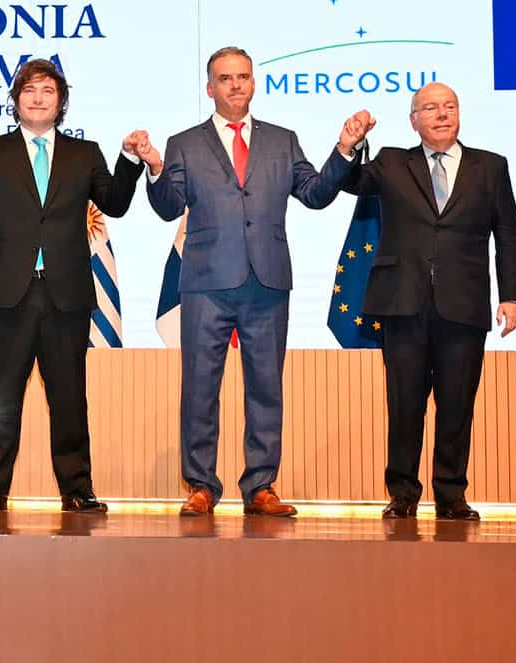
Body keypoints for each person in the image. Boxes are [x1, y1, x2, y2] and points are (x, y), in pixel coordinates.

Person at [140, 46, 370, 518]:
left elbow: (315, 194)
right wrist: (156, 167)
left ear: (253, 83)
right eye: (225, 78)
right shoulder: (184, 142)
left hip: (266, 282)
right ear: (210, 88)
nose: (236, 85)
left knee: (265, 386)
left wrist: (344, 149)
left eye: (243, 76)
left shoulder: (282, 140)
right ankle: (201, 484)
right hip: (205, 282)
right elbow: (167, 206)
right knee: (200, 386)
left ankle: (261, 486)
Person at [0, 59, 141, 513]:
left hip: (65, 293)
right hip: (5, 294)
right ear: (15, 101)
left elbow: (114, 202)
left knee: (69, 397)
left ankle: (77, 489)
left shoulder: (85, 153)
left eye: (48, 91)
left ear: (61, 103)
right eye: (29, 90)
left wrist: (130, 159)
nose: (38, 98)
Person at [339, 81, 516, 521]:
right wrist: (351, 146)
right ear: (413, 120)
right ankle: (402, 492)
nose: (442, 114)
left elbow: (509, 234)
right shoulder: (390, 162)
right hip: (403, 302)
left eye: (449, 106)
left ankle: (451, 494)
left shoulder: (490, 167)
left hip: (464, 303)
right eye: (430, 108)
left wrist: (512, 295)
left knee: (457, 404)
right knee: (405, 404)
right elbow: (349, 183)